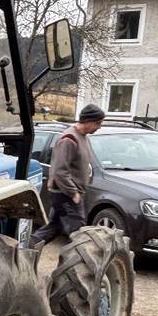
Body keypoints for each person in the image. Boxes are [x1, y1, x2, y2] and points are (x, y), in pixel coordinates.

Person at [30, 103, 105, 246]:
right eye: (98, 123)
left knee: (54, 227)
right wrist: (73, 193)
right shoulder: (69, 139)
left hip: (68, 194)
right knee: (79, 234)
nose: (99, 127)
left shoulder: (83, 137)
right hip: (65, 195)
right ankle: (78, 267)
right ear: (88, 121)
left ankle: (25, 250)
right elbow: (60, 171)